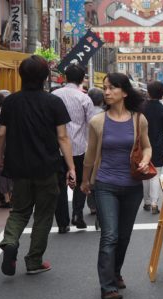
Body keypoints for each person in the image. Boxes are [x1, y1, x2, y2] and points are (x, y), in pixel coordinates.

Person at [0, 55, 76, 275]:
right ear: (45, 77)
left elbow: (1, 133)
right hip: (47, 167)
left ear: (21, 75)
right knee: (43, 214)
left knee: (19, 210)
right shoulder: (53, 102)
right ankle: (33, 261)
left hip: (19, 167)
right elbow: (62, 138)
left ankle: (10, 241)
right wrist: (71, 167)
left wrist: (0, 158)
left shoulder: (11, 101)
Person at [80, 72, 152, 299]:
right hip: (105, 184)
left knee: (124, 236)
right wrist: (85, 180)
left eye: (111, 88)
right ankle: (107, 287)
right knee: (110, 235)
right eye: (105, 88)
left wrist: (144, 160)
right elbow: (90, 155)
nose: (107, 92)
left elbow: (147, 147)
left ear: (124, 91)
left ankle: (116, 272)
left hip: (132, 186)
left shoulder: (138, 119)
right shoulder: (97, 121)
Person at [51, 64, 96, 233]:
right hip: (79, 148)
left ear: (65, 77)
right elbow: (92, 124)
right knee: (81, 183)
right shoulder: (84, 98)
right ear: (82, 78)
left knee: (59, 185)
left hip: (56, 148)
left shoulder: (54, 95)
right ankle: (77, 214)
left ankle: (62, 222)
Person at [142, 81, 163, 215]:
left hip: (142, 145)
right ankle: (154, 203)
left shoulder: (140, 108)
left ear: (148, 92)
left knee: (144, 173)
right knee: (155, 175)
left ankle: (146, 202)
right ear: (161, 93)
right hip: (158, 145)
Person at [85, 87, 105, 216]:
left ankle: (92, 206)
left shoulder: (85, 112)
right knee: (100, 178)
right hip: (103, 151)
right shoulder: (106, 113)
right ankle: (101, 204)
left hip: (86, 149)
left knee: (89, 178)